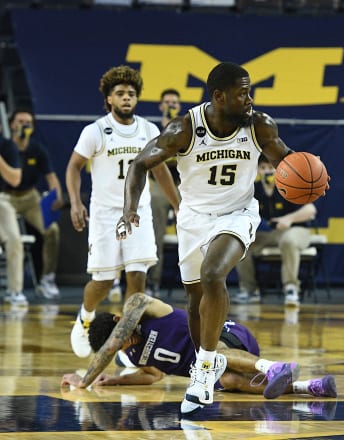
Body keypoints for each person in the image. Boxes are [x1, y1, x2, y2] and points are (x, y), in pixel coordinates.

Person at [117, 62, 322, 414]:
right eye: (242, 93)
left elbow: (287, 162)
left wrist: (308, 174)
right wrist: (129, 208)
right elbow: (138, 165)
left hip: (238, 214)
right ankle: (204, 365)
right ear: (219, 96)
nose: (249, 99)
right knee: (195, 302)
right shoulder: (184, 129)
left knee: (214, 273)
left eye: (250, 91)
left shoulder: (260, 125)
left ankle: (205, 370)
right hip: (194, 219)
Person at [65, 65, 180, 359]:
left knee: (137, 279)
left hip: (137, 213)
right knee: (103, 281)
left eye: (131, 93)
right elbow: (74, 167)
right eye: (120, 94)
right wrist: (76, 202)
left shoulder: (149, 130)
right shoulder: (95, 131)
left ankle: (126, 341)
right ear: (109, 100)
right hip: (105, 214)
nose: (126, 98)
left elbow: (161, 171)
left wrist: (179, 205)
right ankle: (85, 317)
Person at [60, 293, 337, 399]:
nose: (126, 345)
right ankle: (310, 387)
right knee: (228, 381)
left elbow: (111, 346)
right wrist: (115, 381)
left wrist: (84, 380)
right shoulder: (130, 352)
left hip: (227, 338)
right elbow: (154, 374)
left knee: (217, 356)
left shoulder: (138, 306)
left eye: (123, 338)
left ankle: (275, 367)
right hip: (206, 372)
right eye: (122, 346)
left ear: (120, 321)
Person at [234, 154, 317, 306]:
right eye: (263, 168)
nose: (267, 171)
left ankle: (291, 288)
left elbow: (310, 210)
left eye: (271, 167)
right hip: (268, 233)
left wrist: (288, 219)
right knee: (241, 243)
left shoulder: (290, 186)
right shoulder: (253, 190)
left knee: (288, 240)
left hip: (296, 230)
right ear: (258, 170)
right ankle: (249, 290)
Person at [7, 108, 64, 299]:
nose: (24, 125)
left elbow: (51, 176)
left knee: (52, 230)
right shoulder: (5, 147)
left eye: (28, 122)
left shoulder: (36, 149)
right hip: (5, 197)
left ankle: (47, 278)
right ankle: (13, 287)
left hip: (29, 196)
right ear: (11, 124)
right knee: (11, 236)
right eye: (20, 121)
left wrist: (55, 195)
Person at [145, 88, 183, 298]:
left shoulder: (187, 128)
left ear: (179, 106)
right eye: (167, 102)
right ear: (161, 106)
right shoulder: (152, 130)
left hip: (183, 183)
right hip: (158, 183)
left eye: (174, 103)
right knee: (156, 233)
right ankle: (153, 282)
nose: (170, 106)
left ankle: (197, 281)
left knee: (195, 229)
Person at [0, 136, 27, 306]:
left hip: (1, 200)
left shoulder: (6, 145)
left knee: (14, 239)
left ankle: (14, 291)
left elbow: (15, 179)